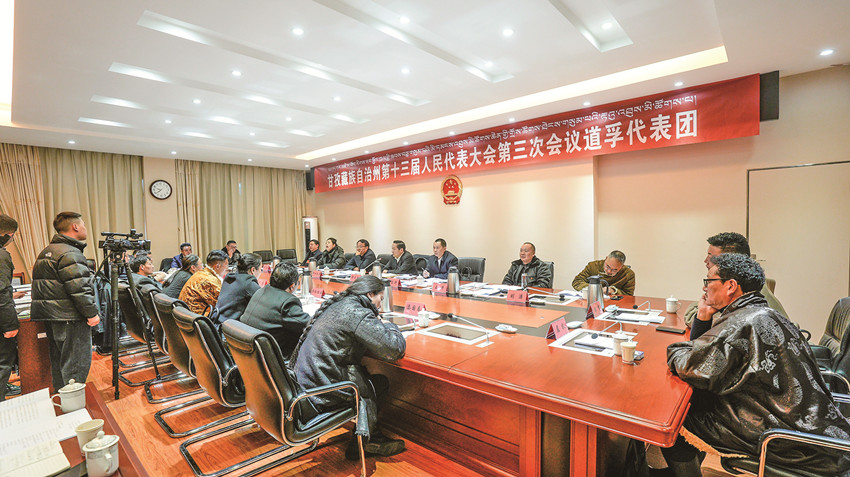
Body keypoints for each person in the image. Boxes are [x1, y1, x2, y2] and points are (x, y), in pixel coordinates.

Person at [664, 254, 850, 476]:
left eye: (709, 280)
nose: (704, 287)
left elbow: (692, 367)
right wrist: (704, 315)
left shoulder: (741, 323)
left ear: (730, 286)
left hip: (784, 437)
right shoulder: (765, 314)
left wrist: (675, 348)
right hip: (813, 428)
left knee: (676, 418)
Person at [290, 275, 406, 460]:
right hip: (322, 391)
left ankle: (370, 435)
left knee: (367, 377)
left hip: (306, 383)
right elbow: (394, 349)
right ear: (370, 294)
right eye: (380, 299)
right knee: (379, 383)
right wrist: (390, 326)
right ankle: (365, 442)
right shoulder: (356, 312)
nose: (380, 305)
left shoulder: (339, 304)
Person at [31, 212, 100, 391]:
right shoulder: (70, 253)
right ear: (75, 227)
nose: (85, 228)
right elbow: (79, 288)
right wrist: (91, 313)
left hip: (53, 316)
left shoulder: (48, 250)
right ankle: (73, 406)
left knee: (60, 363)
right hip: (70, 317)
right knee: (75, 366)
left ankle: (62, 401)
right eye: (83, 225)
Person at [683, 232, 789, 327]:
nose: (706, 261)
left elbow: (714, 324)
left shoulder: (754, 296)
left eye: (711, 257)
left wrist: (701, 314)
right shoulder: (735, 285)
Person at [240, 262, 310, 356]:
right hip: (272, 358)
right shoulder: (287, 302)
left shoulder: (261, 291)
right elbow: (309, 325)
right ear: (292, 286)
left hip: (249, 352)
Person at [0, 214, 26, 400]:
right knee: (3, 361)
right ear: (8, 234)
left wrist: (11, 294)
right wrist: (10, 325)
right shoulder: (2, 255)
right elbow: (1, 292)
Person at [210, 253, 262, 328]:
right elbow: (265, 303)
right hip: (228, 330)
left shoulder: (229, 277)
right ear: (253, 270)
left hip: (217, 325)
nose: (261, 272)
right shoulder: (248, 283)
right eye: (260, 269)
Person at [179, 250, 228, 316]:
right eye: (226, 265)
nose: (227, 269)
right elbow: (223, 303)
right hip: (196, 318)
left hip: (186, 314)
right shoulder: (210, 280)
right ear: (217, 266)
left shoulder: (202, 273)